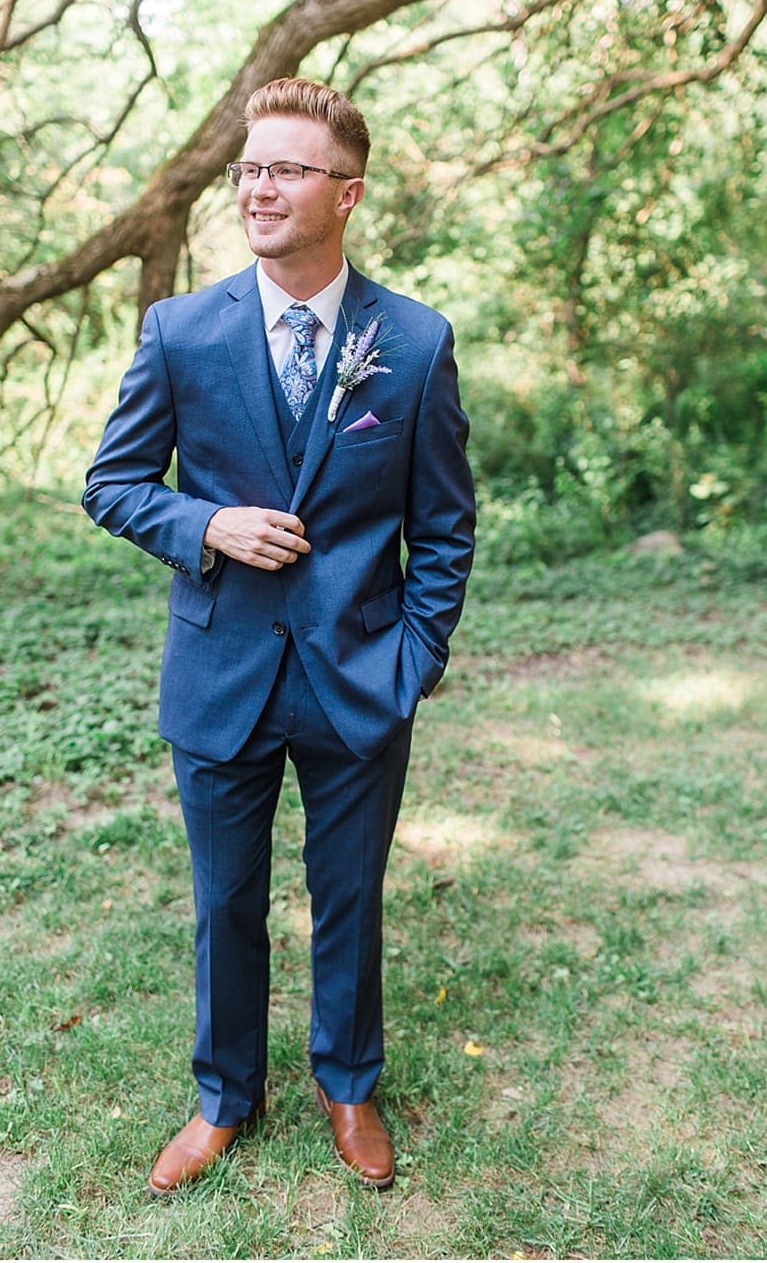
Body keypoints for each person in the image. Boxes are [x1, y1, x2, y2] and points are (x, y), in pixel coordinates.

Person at [83, 77, 474, 1195]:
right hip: (220, 671)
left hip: (359, 672)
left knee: (349, 895)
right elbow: (111, 486)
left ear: (344, 193)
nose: (257, 186)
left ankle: (347, 1084)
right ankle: (222, 1099)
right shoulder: (181, 332)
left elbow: (444, 523)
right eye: (249, 166)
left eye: (286, 168)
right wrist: (204, 522)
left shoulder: (411, 340)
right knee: (223, 904)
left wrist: (416, 656)